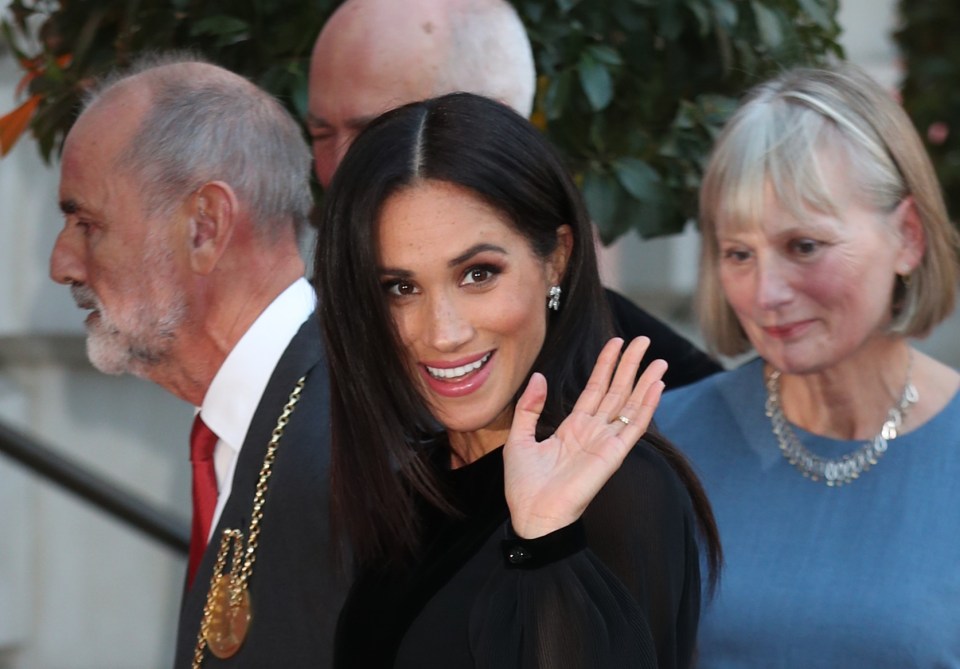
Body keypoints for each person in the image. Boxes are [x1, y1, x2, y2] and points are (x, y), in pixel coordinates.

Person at [314, 91, 721, 668]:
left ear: (556, 258)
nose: (444, 332)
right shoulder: (413, 485)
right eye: (400, 288)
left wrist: (546, 539)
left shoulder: (622, 490)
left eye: (478, 274)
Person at [657, 64, 960, 667]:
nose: (766, 293)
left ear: (908, 237)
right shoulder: (663, 444)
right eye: (739, 253)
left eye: (804, 246)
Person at [48, 55, 346, 667]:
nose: (62, 264)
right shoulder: (271, 416)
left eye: (87, 223)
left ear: (205, 227)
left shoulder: (349, 442)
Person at [307, 0, 723, 389]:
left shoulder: (672, 399)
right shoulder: (296, 354)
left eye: (378, 134)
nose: (340, 169)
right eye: (322, 134)